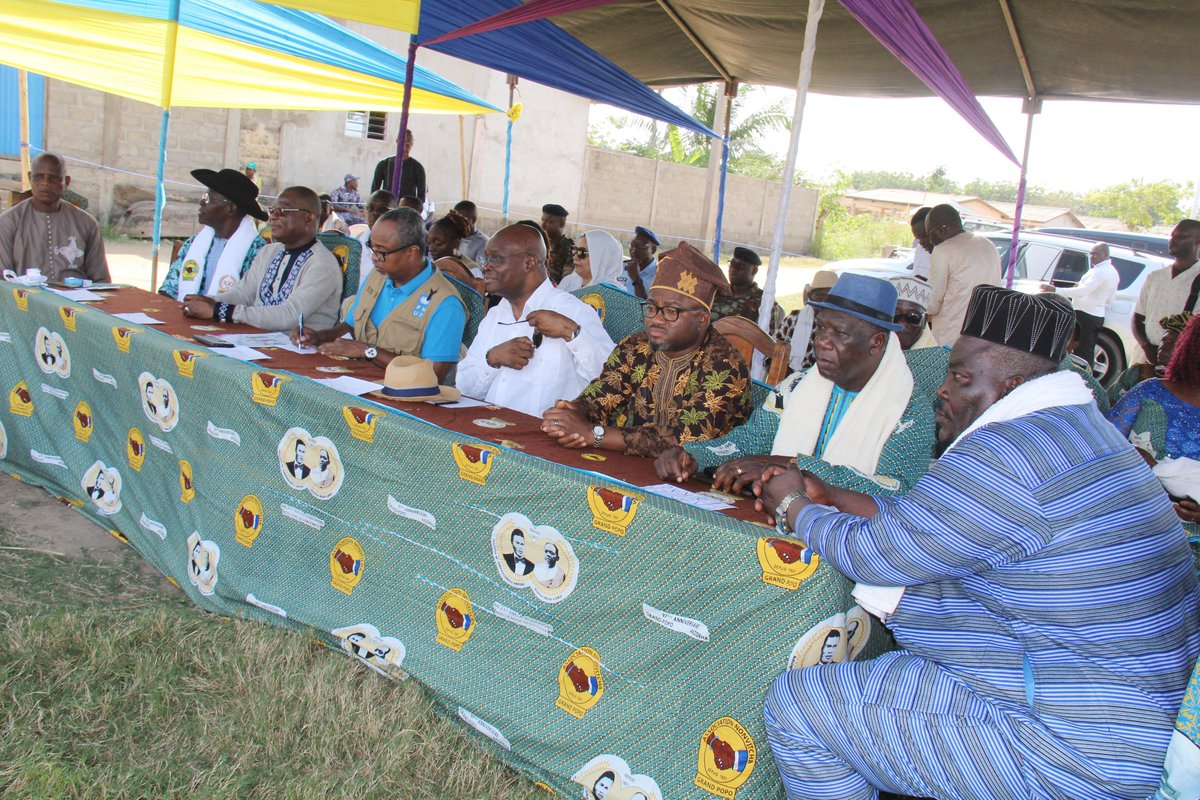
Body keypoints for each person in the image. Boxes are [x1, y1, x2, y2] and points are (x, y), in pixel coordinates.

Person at [758, 285, 1199, 800]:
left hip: (1077, 748)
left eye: (961, 377)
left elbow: (877, 555)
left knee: (802, 707)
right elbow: (940, 524)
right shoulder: (1075, 429)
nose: (941, 390)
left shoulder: (1011, 451)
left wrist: (794, 506)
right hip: (1123, 714)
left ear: (1010, 385)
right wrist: (834, 495)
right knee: (877, 674)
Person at [655, 273, 935, 500]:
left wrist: (789, 466)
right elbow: (750, 441)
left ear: (876, 343)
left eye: (840, 334)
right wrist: (694, 455)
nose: (822, 341)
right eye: (822, 328)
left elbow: (895, 489)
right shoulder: (796, 386)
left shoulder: (908, 411)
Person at [543, 242, 752, 459]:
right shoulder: (636, 346)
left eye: (671, 311)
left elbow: (685, 438)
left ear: (702, 318)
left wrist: (593, 434)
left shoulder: (725, 366)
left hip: (702, 480)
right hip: (633, 466)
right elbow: (602, 395)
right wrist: (571, 413)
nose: (656, 319)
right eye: (651, 307)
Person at [457, 224, 615, 416]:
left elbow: (612, 380)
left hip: (545, 438)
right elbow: (463, 388)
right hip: (490, 428)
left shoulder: (571, 311)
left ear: (529, 262)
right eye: (486, 258)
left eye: (496, 259)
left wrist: (572, 333)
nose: (486, 266)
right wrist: (492, 359)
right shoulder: (496, 316)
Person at [293, 208, 466, 383]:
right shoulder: (379, 276)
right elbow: (351, 324)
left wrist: (368, 351)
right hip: (358, 380)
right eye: (372, 248)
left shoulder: (445, 304)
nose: (374, 257)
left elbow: (433, 376)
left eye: (382, 252)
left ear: (412, 252)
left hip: (405, 397)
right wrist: (318, 337)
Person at [182, 186, 342, 332]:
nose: (272, 217)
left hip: (296, 352)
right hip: (253, 341)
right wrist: (207, 301)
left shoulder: (323, 264)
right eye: (272, 211)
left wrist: (218, 310)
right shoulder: (268, 252)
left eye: (282, 211)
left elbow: (289, 315)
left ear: (308, 219)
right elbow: (242, 295)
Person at [1108, 314, 1200, 538]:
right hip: (1129, 517)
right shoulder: (1149, 391)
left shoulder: (1150, 391)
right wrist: (1129, 453)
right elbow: (1099, 442)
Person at [158, 169, 268, 301]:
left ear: (230, 208)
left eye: (209, 198)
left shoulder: (258, 251)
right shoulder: (194, 242)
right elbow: (169, 290)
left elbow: (251, 302)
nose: (202, 202)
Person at [0, 152, 109, 282]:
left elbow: (100, 280)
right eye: (39, 177)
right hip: (25, 300)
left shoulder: (86, 223)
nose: (45, 183)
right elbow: (3, 280)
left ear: (66, 182)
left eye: (53, 178)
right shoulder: (8, 222)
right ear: (30, 178)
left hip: (75, 300)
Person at [924, 203, 1002, 345]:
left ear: (942, 229)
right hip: (984, 337)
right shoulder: (988, 245)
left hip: (951, 338)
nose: (930, 240)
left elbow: (932, 304)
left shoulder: (943, 250)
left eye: (930, 234)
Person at [1041, 241, 1119, 369]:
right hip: (1095, 314)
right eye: (1090, 253)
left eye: (1095, 254)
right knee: (1086, 350)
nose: (1091, 256)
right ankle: (1083, 378)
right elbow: (1110, 299)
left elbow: (1083, 291)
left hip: (1086, 315)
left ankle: (1083, 379)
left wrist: (1055, 290)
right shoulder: (1110, 271)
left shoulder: (1101, 272)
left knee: (1082, 352)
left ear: (1105, 254)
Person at [1134, 218, 1200, 363]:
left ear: (1197, 242)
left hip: (1178, 363)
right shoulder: (1155, 277)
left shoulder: (1197, 278)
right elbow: (1137, 317)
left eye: (1182, 236)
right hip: (1144, 357)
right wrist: (1147, 348)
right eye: (1172, 235)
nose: (1173, 240)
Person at [1108, 311, 1192, 406]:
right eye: (1163, 340)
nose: (1164, 346)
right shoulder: (1137, 373)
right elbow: (1108, 403)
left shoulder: (1190, 390)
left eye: (1174, 343)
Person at [710, 246, 784, 334]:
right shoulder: (716, 292)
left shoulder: (764, 302)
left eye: (740, 266)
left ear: (754, 271)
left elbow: (768, 339)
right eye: (732, 264)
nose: (733, 270)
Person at [787, 269, 837, 373]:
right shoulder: (794, 318)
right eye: (819, 296)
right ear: (810, 297)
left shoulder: (841, 325)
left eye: (829, 297)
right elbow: (773, 350)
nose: (823, 302)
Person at [557, 230, 624, 293]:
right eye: (574, 250)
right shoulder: (568, 282)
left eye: (582, 252)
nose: (575, 257)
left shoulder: (613, 293)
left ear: (600, 259)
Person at [427, 214, 481, 289]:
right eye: (429, 243)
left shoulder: (472, 271)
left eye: (438, 243)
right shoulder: (429, 264)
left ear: (456, 243)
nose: (431, 248)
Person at [370, 129, 425, 201]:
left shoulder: (417, 167)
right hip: (388, 208)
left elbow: (421, 196)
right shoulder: (384, 164)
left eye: (410, 143)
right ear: (397, 141)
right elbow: (374, 192)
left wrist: (413, 208)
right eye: (404, 142)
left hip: (406, 209)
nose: (407, 146)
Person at [623, 226, 660, 300]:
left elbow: (646, 309)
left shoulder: (659, 276)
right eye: (632, 245)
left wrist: (636, 280)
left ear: (653, 249)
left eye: (640, 245)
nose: (634, 250)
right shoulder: (621, 267)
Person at [541, 203, 574, 284]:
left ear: (561, 224)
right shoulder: (538, 243)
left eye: (549, 222)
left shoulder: (568, 248)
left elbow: (567, 281)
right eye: (542, 220)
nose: (543, 226)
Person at [454, 201, 489, 265]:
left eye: (462, 220)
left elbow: (480, 269)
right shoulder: (454, 237)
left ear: (473, 220)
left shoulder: (483, 242)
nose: (457, 223)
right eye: (455, 220)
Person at [909, 206, 933, 280]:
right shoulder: (920, 250)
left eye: (925, 236)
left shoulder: (951, 255)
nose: (921, 242)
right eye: (918, 238)